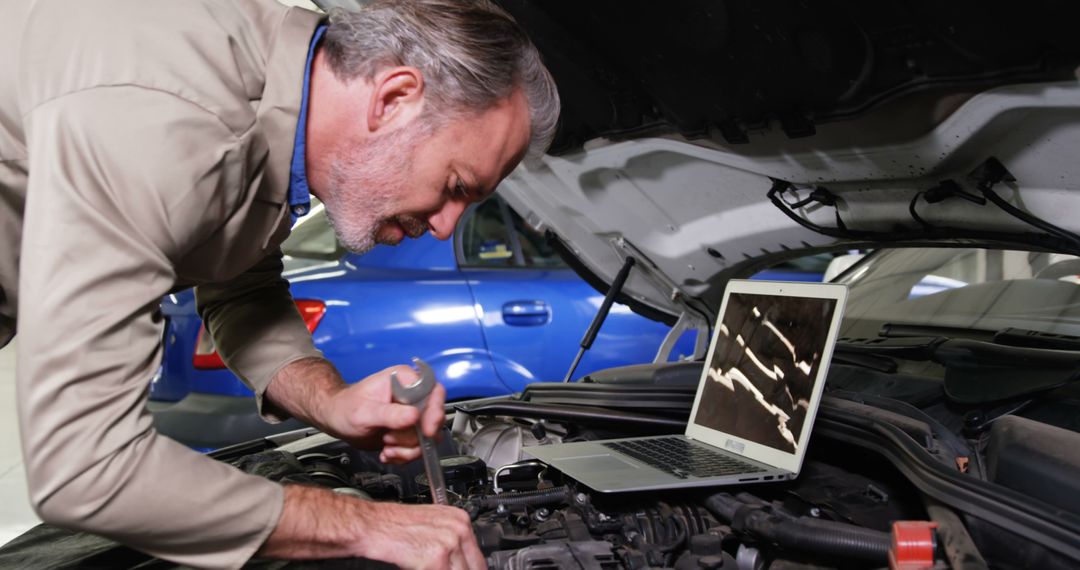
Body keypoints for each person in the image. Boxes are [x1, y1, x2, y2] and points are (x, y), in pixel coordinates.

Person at [0, 0, 559, 567]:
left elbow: (237, 283)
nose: (445, 228)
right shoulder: (169, 121)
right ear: (394, 99)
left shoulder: (276, 105)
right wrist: (364, 525)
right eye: (457, 184)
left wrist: (332, 401)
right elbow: (89, 470)